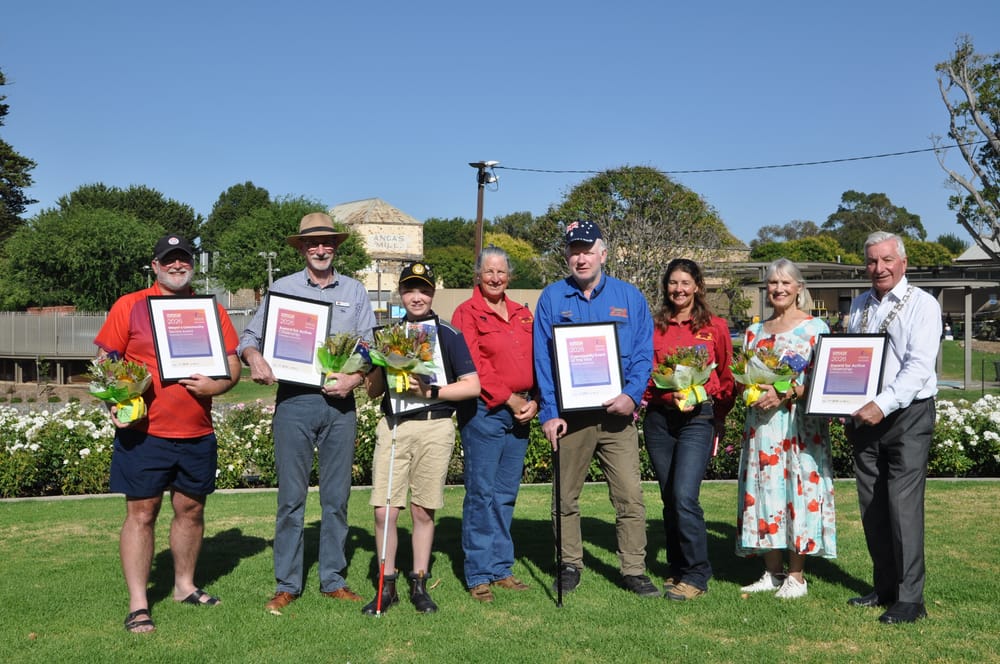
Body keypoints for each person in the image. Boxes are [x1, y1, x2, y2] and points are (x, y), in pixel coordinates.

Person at [95, 234, 242, 633]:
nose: (177, 266)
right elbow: (106, 358)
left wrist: (217, 386)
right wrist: (113, 400)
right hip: (145, 432)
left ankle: (184, 586)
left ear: (192, 265)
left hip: (196, 431)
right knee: (141, 513)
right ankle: (139, 603)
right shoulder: (130, 305)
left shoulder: (211, 310)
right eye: (169, 261)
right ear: (155, 266)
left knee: (191, 511)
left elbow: (232, 362)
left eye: (183, 260)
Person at [239, 212, 376, 613]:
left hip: (340, 405)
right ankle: (288, 583)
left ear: (336, 247)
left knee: (337, 499)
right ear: (300, 248)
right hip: (294, 404)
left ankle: (332, 579)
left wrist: (355, 379)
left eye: (327, 243)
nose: (320, 249)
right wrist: (254, 358)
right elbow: (250, 337)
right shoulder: (282, 289)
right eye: (312, 243)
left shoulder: (355, 290)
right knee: (291, 500)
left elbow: (368, 346)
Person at [533, 220, 659, 598]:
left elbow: (643, 354)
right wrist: (549, 413)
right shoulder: (552, 299)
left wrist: (632, 396)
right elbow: (543, 361)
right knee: (565, 497)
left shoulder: (630, 297)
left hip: (617, 416)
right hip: (571, 420)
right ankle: (570, 563)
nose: (581, 257)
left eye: (588, 250)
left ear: (604, 254)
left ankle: (633, 569)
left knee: (629, 497)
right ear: (567, 256)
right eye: (574, 250)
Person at [362, 261, 480, 615]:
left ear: (433, 292)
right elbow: (372, 392)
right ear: (401, 293)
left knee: (422, 510)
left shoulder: (448, 334)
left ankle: (419, 582)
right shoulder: (386, 334)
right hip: (395, 425)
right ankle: (387, 584)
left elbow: (473, 385)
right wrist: (376, 364)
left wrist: (433, 392)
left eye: (424, 289)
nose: (417, 296)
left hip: (435, 425)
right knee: (384, 510)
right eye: (411, 289)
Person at [846, 231, 941, 624]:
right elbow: (850, 359)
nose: (878, 268)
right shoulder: (858, 304)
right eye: (871, 261)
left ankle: (910, 598)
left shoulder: (923, 305)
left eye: (886, 260)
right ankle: (884, 586)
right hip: (865, 418)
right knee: (872, 507)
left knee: (902, 507)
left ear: (903, 262)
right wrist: (839, 400)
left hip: (907, 415)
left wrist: (881, 405)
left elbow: (919, 368)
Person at [736, 258, 835, 599]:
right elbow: (743, 375)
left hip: (799, 428)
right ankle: (772, 572)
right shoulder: (754, 332)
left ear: (799, 289)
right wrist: (749, 390)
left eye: (785, 283)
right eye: (772, 283)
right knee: (765, 493)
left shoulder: (814, 329)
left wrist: (788, 390)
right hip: (762, 427)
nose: (777, 289)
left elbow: (824, 382)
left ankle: (797, 576)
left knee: (797, 494)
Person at [642, 258, 734, 601]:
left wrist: (717, 413)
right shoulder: (654, 327)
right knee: (669, 497)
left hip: (698, 420)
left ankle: (697, 573)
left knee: (684, 495)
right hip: (659, 420)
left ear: (697, 286)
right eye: (673, 283)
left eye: (685, 283)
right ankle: (678, 568)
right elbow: (644, 377)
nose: (678, 289)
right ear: (666, 286)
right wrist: (667, 394)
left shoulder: (716, 328)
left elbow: (725, 377)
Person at [452, 246, 538, 603]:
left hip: (522, 412)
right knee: (481, 494)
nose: (495, 277)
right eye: (489, 271)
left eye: (501, 272)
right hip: (485, 413)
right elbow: (472, 365)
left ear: (510, 275)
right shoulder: (466, 313)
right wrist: (510, 398)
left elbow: (538, 358)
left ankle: (502, 567)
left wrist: (534, 401)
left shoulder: (521, 313)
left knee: (505, 495)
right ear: (478, 274)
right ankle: (478, 573)